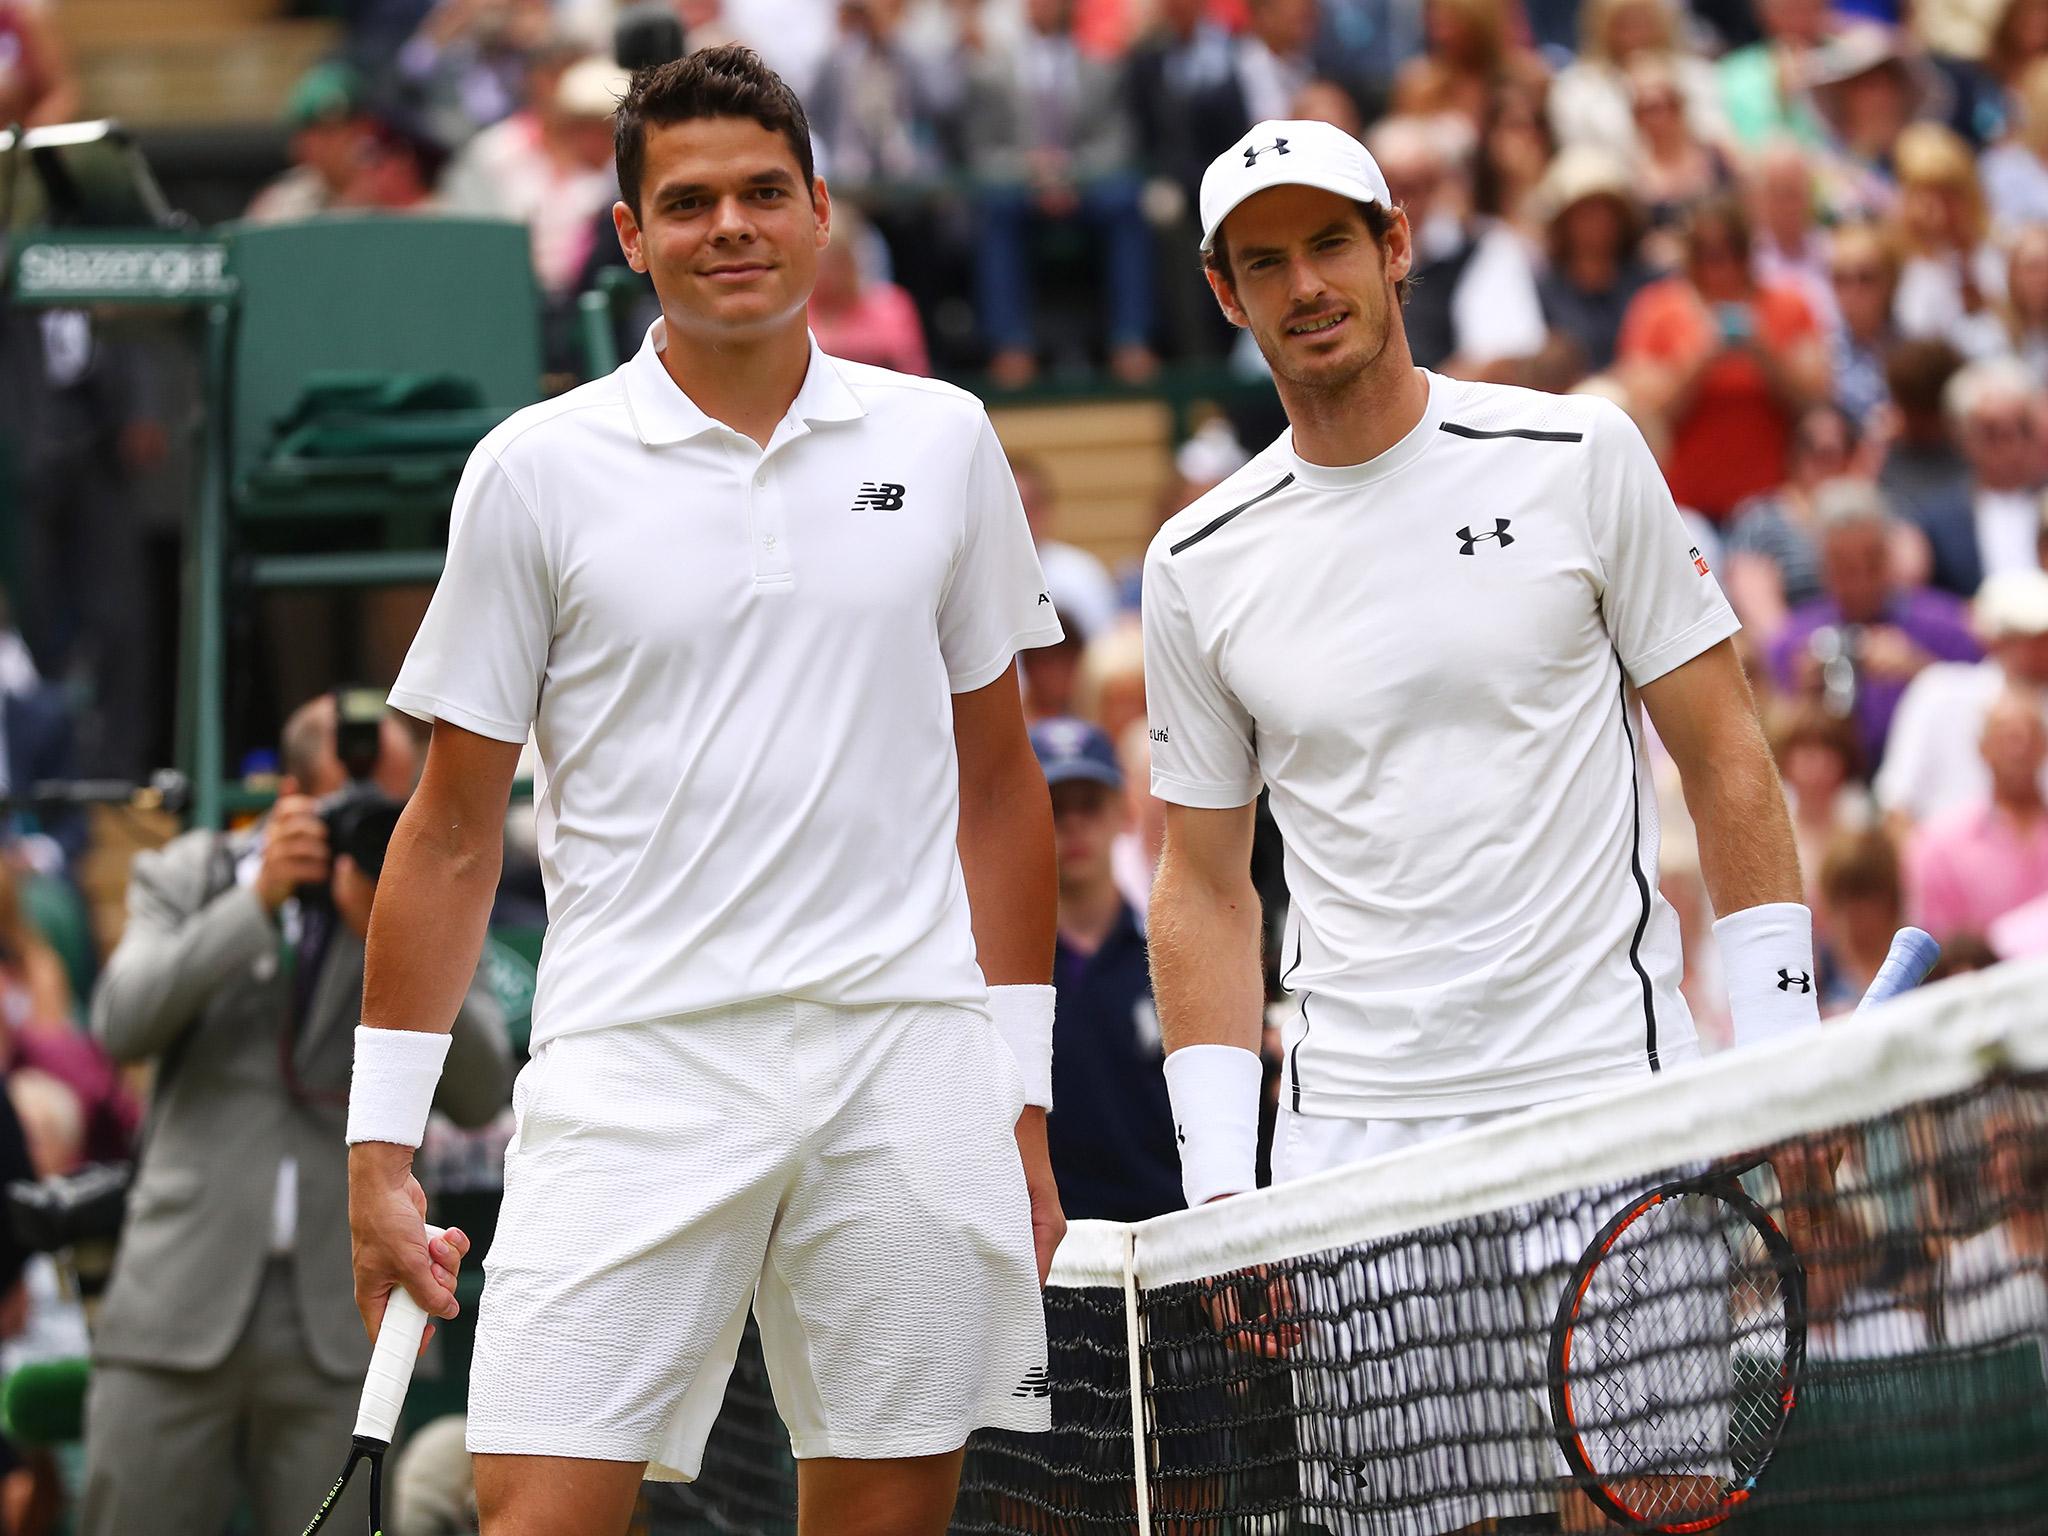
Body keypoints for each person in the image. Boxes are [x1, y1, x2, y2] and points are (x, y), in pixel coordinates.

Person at [347, 48, 1065, 1536]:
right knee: (535, 1511)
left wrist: (1023, 1100)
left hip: (908, 1056)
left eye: (760, 193)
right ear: (628, 234)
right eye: (686, 203)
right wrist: (379, 1151)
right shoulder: (531, 470)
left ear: (819, 210)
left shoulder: (945, 441)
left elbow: (1000, 791)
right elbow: (454, 831)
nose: (729, 226)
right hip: (633, 1062)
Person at [1145, 118, 1819, 1532]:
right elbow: (1202, 885)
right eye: (1263, 263)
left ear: (1394, 247)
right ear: (1226, 294)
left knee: (1649, 1513)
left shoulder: (1577, 453)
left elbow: (1725, 756)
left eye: (1331, 243)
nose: (1305, 285)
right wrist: (1219, 1192)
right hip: (1357, 1152)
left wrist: (1786, 1058)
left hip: (1610, 1103)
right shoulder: (1195, 562)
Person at [80, 695, 511, 1536]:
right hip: (177, 1296)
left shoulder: (427, 898)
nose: (379, 827)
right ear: (289, 796)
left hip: (336, 1315)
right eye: (358, 807)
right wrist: (255, 901)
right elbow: (121, 1022)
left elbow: (482, 1087)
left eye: (397, 808)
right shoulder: (194, 873)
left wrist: (394, 931)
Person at [1031, 718, 1181, 1223]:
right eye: (1055, 807)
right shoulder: (998, 976)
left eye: (1090, 804)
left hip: (1172, 1232)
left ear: (1124, 811)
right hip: (1056, 1244)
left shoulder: (1170, 956)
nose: (1074, 824)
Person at [1616, 194, 1829, 522]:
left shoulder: (1789, 305)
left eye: (1733, 250)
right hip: (1683, 505)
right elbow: (1647, 414)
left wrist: (1765, 354)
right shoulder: (1656, 309)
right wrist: (1702, 357)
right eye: (1708, 254)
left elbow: (1815, 400)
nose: (1722, 267)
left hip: (1772, 502)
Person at [1766, 478, 1980, 768]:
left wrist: (1923, 673)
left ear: (1891, 555)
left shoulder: (1947, 627)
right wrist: (1798, 699)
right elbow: (1764, 744)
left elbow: (1983, 718)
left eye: (1873, 562)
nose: (1861, 581)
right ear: (1821, 567)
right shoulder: (1791, 643)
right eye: (1844, 568)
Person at [1877, 569, 2048, 828]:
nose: (2041, 650)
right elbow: (1895, 805)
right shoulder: (1939, 692)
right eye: (2032, 638)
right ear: (1998, 640)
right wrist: (1931, 853)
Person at [1904, 686, 2048, 939]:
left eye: (2030, 735)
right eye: (2008, 737)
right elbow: (1939, 940)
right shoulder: (1940, 844)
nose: (2020, 748)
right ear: (1984, 748)